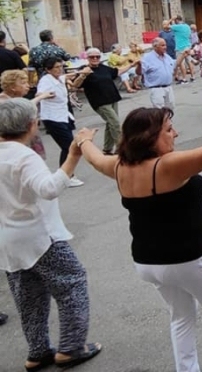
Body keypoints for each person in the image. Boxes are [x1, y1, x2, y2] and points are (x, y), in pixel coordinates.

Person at [75, 107, 202, 372]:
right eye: (168, 130)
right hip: (187, 258)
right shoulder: (166, 166)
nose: (175, 134)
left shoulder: (118, 166)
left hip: (148, 261)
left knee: (181, 316)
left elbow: (94, 158)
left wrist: (83, 140)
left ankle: (188, 368)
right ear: (146, 138)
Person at [0, 98, 103, 370]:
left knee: (29, 298)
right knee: (72, 285)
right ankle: (70, 348)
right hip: (38, 235)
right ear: (32, 124)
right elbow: (49, 188)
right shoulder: (22, 155)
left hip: (8, 240)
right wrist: (74, 154)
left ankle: (38, 352)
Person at [72, 47, 136, 155]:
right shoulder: (84, 69)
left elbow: (117, 72)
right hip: (100, 102)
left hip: (112, 98)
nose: (95, 58)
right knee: (115, 123)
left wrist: (131, 65)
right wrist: (83, 75)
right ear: (87, 58)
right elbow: (75, 85)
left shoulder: (103, 68)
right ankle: (122, 149)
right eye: (92, 57)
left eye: (97, 56)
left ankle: (107, 149)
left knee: (110, 123)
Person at [37, 57, 83, 187]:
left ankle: (65, 174)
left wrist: (81, 73)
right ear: (48, 69)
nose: (59, 69)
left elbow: (67, 76)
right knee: (69, 146)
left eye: (60, 66)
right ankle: (67, 176)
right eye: (56, 67)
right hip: (52, 118)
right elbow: (39, 93)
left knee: (67, 147)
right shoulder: (46, 81)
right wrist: (45, 95)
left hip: (63, 116)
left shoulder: (59, 78)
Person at [0, 69, 52, 159]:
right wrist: (41, 97)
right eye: (23, 83)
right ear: (12, 86)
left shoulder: (19, 98)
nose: (27, 86)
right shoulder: (4, 101)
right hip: (15, 145)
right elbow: (24, 108)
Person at [141, 38, 178, 110]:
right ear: (155, 47)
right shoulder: (148, 57)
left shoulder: (166, 56)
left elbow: (175, 64)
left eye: (165, 45)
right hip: (156, 88)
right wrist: (139, 65)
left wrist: (183, 55)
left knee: (170, 109)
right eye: (162, 45)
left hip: (168, 87)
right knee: (159, 111)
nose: (165, 47)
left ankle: (168, 121)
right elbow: (140, 72)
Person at [171, 16, 195, 84]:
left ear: (177, 20)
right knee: (189, 62)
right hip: (187, 45)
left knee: (181, 63)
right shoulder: (187, 26)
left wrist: (171, 19)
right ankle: (192, 76)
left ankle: (184, 78)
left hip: (180, 47)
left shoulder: (178, 26)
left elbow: (166, 26)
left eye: (175, 20)